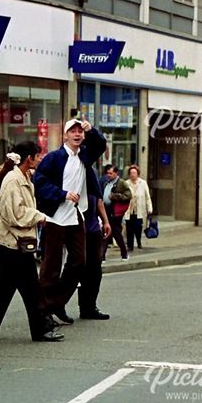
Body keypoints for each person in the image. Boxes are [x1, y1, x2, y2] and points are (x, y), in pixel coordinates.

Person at [0, 142, 64, 343]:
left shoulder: (23, 177)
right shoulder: (13, 181)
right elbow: (15, 214)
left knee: (3, 288)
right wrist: (39, 217)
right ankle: (41, 329)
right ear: (28, 157)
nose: (40, 159)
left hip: (15, 243)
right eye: (37, 156)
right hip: (11, 244)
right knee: (30, 289)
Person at [33, 118, 106, 325]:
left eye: (79, 132)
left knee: (79, 262)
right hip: (55, 216)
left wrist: (91, 130)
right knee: (51, 265)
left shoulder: (85, 156)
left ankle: (57, 302)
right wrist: (62, 194)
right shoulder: (54, 158)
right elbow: (39, 182)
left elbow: (100, 145)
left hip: (76, 215)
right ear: (64, 135)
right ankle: (44, 309)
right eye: (72, 131)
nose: (77, 134)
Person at [76, 195, 111, 320]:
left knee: (95, 271)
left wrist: (105, 221)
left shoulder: (91, 179)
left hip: (93, 229)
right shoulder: (74, 178)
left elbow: (99, 201)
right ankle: (59, 306)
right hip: (76, 230)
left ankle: (90, 307)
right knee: (78, 270)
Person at [102, 165, 132, 256]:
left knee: (112, 232)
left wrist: (115, 196)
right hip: (106, 209)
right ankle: (123, 253)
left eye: (111, 173)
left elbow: (128, 195)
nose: (109, 175)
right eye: (107, 173)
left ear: (116, 173)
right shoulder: (106, 182)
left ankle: (103, 255)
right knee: (111, 232)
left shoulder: (121, 183)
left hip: (115, 211)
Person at [124, 165, 152, 251]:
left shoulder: (142, 183)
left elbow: (147, 196)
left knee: (138, 227)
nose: (133, 174)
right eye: (131, 173)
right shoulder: (126, 183)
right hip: (129, 210)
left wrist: (149, 208)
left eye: (134, 173)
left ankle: (139, 241)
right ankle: (130, 245)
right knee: (129, 229)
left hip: (139, 210)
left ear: (138, 174)